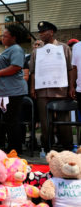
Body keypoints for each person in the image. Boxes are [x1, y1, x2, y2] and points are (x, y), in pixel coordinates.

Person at [30, 21, 74, 152]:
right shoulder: (37, 51)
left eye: (44, 31)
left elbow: (70, 69)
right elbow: (33, 71)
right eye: (40, 32)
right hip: (42, 92)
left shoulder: (64, 48)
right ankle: (47, 148)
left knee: (64, 122)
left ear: (52, 32)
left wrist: (71, 87)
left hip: (60, 91)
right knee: (45, 123)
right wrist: (32, 88)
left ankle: (67, 147)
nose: (41, 34)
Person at [0, 24, 28, 154]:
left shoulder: (16, 49)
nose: (2, 38)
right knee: (8, 121)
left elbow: (16, 67)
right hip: (5, 92)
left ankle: (15, 149)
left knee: (13, 121)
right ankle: (10, 147)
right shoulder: (8, 49)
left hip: (13, 92)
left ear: (13, 37)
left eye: (5, 36)